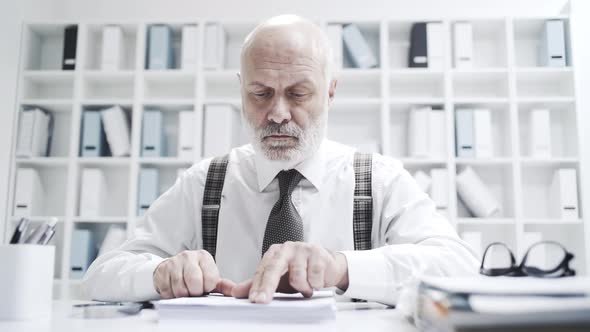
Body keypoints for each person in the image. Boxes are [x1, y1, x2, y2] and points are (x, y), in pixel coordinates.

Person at [83, 15, 478, 306]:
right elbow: (101, 275)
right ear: (241, 91)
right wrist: (157, 273)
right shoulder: (205, 182)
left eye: (298, 93)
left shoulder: (379, 179)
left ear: (330, 92)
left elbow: (459, 266)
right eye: (260, 93)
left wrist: (341, 268)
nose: (277, 113)